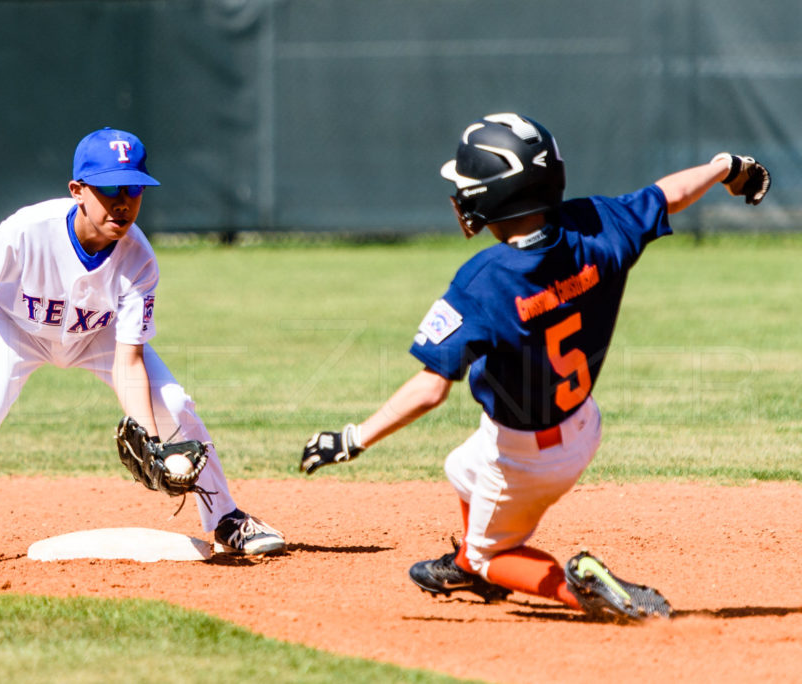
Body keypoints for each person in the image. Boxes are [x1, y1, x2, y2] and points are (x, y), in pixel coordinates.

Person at [301, 113, 769, 621]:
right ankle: (470, 563)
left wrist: (353, 438)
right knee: (460, 468)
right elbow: (668, 194)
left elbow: (431, 388)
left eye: (467, 187)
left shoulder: (485, 279)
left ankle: (580, 588)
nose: (460, 196)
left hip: (524, 455)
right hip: (580, 424)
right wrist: (725, 167)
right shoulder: (597, 226)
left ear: (493, 196)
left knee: (494, 553)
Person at [0, 127, 285, 568]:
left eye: (134, 191)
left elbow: (128, 358)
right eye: (110, 191)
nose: (123, 204)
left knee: (173, 403)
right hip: (15, 327)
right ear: (77, 190)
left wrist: (149, 434)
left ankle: (226, 518)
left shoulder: (140, 259)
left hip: (96, 334)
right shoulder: (30, 229)